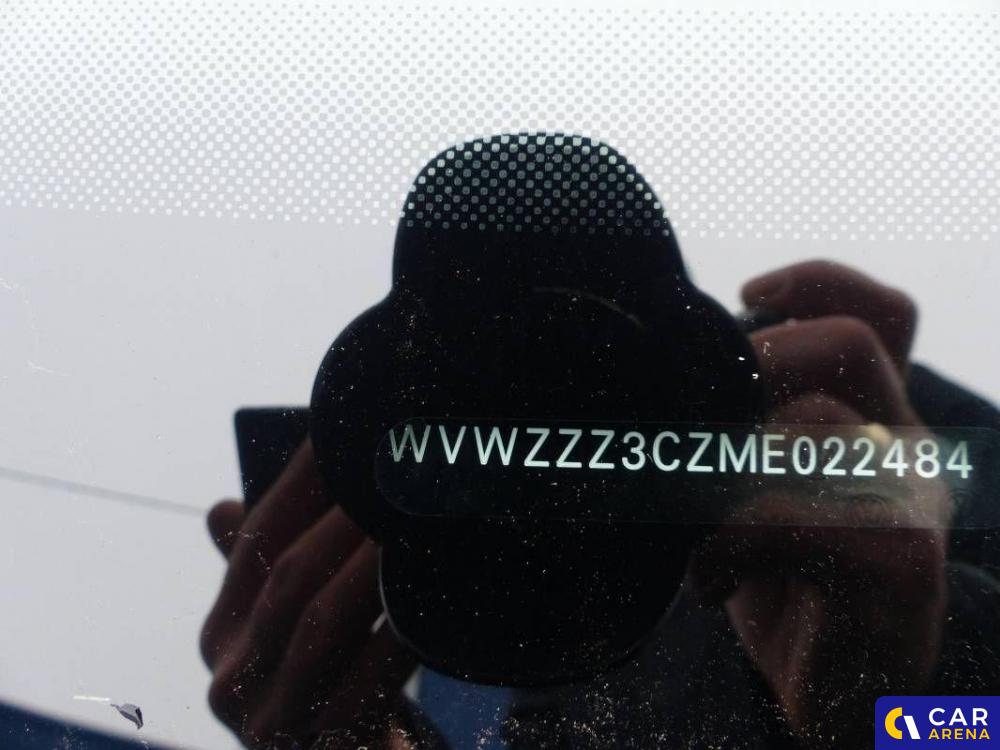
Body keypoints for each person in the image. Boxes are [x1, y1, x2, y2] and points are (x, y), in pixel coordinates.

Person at [200, 260, 1000, 749]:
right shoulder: (550, 623)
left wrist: (911, 697)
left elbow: (970, 729)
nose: (560, 455)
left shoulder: (841, 433)